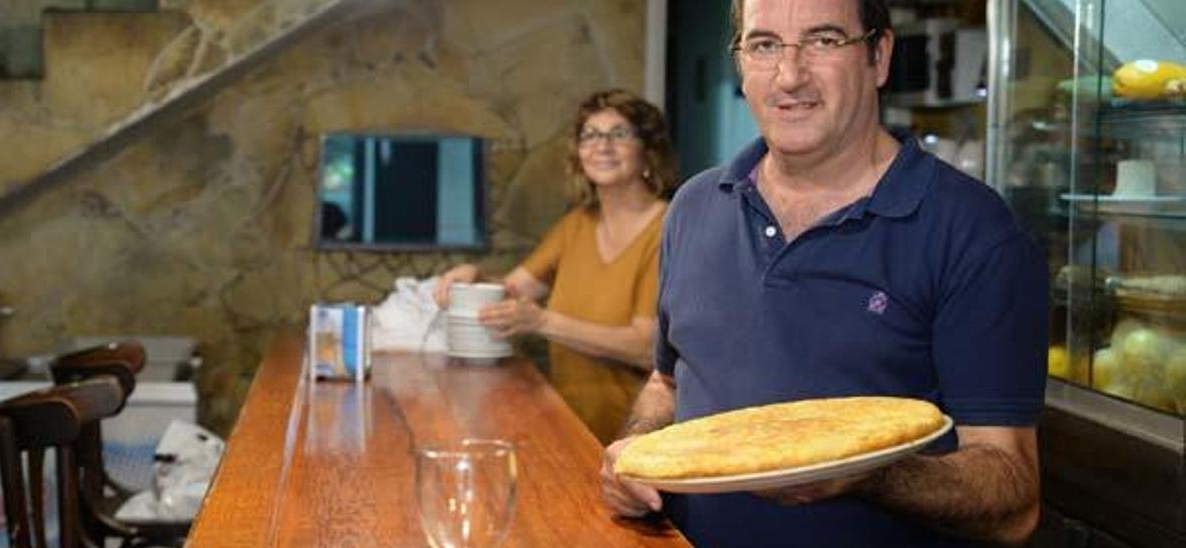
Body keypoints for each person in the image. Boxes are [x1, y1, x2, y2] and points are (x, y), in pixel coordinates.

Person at [599, 1, 1048, 546]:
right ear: (741, 63)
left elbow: (1014, 499)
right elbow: (667, 381)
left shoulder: (972, 230)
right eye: (764, 45)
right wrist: (635, 453)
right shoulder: (694, 205)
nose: (789, 76)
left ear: (878, 57)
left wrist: (866, 474)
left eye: (824, 40)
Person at [434, 89, 678, 444]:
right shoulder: (577, 223)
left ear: (648, 152)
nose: (602, 145)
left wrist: (542, 321)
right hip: (572, 427)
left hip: (637, 439)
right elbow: (514, 290)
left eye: (619, 133)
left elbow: (645, 347)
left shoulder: (669, 228)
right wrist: (476, 277)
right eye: (590, 135)